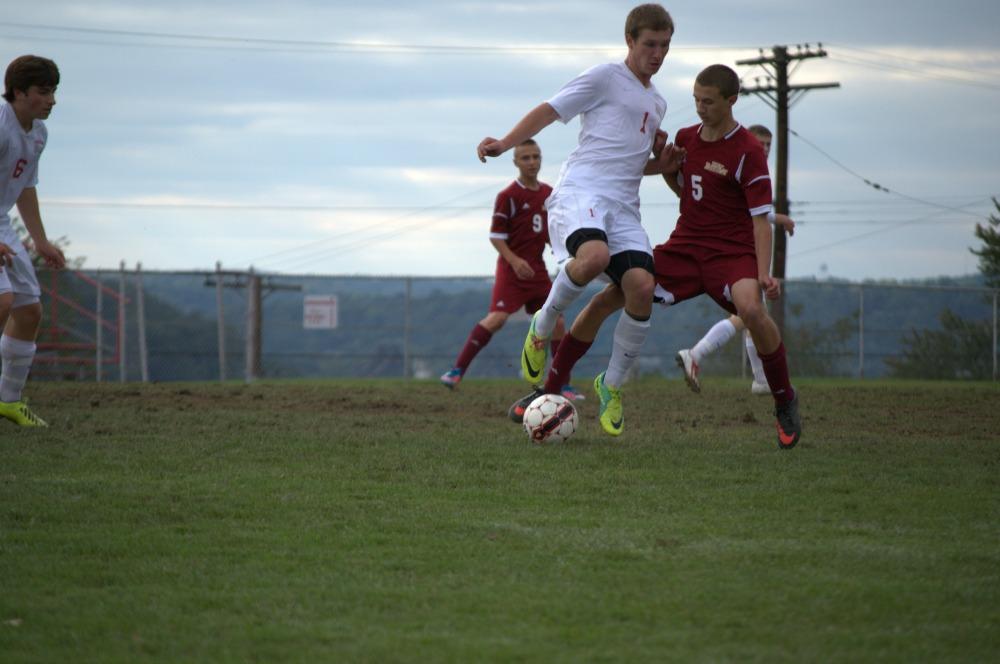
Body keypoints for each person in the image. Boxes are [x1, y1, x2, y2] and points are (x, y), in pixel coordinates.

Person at [538, 65, 802, 449]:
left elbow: (760, 221)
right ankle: (549, 388)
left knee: (752, 310)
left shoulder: (747, 150)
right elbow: (683, 186)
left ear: (731, 101)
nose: (700, 108)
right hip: (685, 247)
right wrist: (666, 166)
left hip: (730, 253)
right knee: (617, 293)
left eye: (708, 102)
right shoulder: (685, 138)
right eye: (696, 99)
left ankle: (784, 400)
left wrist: (764, 274)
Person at [478, 3, 675, 436]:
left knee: (641, 287)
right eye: (649, 44)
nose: (657, 53)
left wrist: (664, 163)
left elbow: (630, 162)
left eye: (664, 45)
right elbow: (549, 110)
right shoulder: (605, 77)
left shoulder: (658, 102)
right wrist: (504, 142)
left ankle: (612, 385)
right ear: (630, 40)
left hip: (624, 207)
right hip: (581, 193)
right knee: (593, 257)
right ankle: (541, 326)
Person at [440, 139, 582, 400]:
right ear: (515, 162)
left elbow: (549, 230)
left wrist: (559, 247)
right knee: (497, 318)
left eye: (535, 157)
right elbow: (496, 236)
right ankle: (456, 370)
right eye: (525, 158)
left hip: (537, 270)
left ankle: (563, 384)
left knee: (558, 321)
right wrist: (515, 261)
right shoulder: (508, 196)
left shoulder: (548, 194)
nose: (531, 162)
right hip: (511, 270)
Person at [675, 124, 796, 395]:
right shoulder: (741, 164)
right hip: (737, 249)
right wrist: (779, 218)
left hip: (743, 247)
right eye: (760, 142)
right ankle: (697, 353)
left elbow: (750, 212)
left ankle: (761, 379)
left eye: (769, 144)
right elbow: (747, 214)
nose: (764, 148)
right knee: (747, 314)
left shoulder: (753, 168)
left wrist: (775, 219)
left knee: (752, 314)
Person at [0, 55, 65, 427]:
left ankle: (8, 401)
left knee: (28, 310)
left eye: (54, 91)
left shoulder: (38, 133)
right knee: (2, 300)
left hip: (3, 225)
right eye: (43, 92)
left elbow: (24, 186)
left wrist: (40, 240)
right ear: (19, 92)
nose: (52, 100)